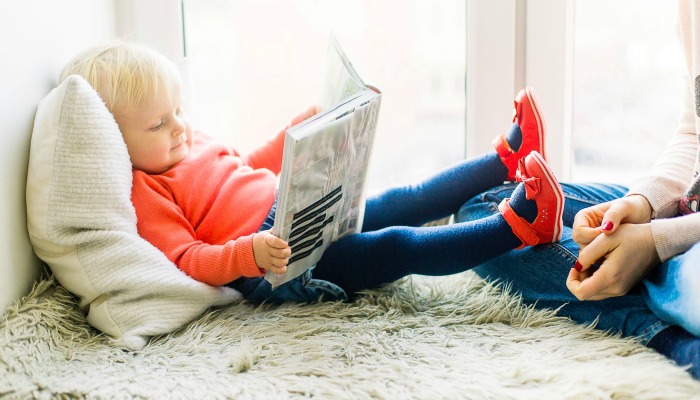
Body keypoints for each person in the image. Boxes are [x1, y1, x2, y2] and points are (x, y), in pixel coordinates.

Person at [59, 42, 564, 303]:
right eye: (158, 123)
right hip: (283, 263)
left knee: (401, 197)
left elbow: (245, 164)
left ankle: (506, 157)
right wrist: (248, 254)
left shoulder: (189, 142)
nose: (179, 127)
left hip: (300, 207)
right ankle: (518, 225)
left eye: (178, 110)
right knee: (397, 245)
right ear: (116, 141)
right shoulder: (144, 191)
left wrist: (294, 134)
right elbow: (189, 259)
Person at [456, 1, 700, 380]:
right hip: (689, 207)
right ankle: (651, 287)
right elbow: (692, 132)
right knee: (490, 213)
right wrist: (642, 204)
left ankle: (657, 328)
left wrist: (658, 241)